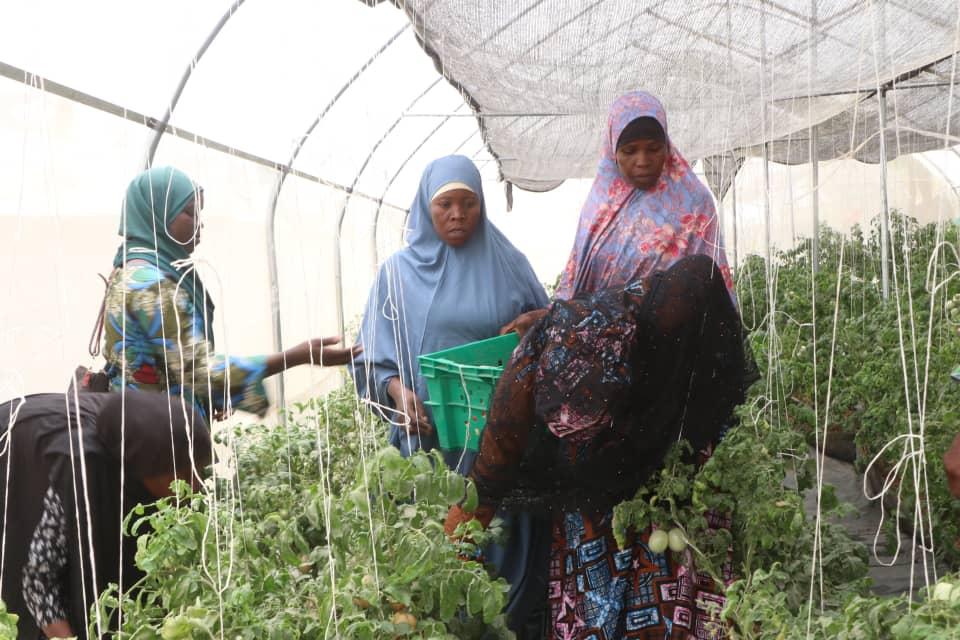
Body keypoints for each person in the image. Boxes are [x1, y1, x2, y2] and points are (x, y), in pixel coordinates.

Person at [447, 255, 748, 639]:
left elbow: (721, 387)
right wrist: (442, 564)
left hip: (668, 463)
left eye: (591, 433)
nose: (576, 444)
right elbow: (484, 486)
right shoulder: (524, 377)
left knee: (672, 587)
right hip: (589, 499)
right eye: (568, 439)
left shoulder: (662, 334)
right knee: (596, 599)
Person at [351, 154, 550, 632]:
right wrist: (399, 393)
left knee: (503, 553)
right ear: (425, 207)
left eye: (468, 204)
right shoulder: (396, 275)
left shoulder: (507, 263)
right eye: (445, 204)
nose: (457, 215)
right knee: (435, 556)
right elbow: (371, 357)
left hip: (499, 439)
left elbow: (552, 332)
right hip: (431, 444)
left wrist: (532, 328)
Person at [98, 166, 358, 420]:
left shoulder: (130, 268)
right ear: (157, 216)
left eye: (200, 212)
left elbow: (167, 360)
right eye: (189, 212)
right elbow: (198, 370)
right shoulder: (151, 285)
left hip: (140, 426)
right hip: (155, 438)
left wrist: (208, 397)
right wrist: (297, 356)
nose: (200, 222)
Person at [501, 90, 735, 339]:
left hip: (672, 347)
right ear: (613, 152)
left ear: (667, 147)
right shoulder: (600, 206)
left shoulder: (694, 203)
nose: (642, 160)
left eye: (653, 149)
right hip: (607, 345)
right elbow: (577, 281)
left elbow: (710, 287)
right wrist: (549, 318)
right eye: (630, 151)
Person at [0, 390, 212, 640]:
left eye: (198, 469)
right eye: (184, 474)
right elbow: (38, 581)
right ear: (145, 467)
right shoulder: (80, 472)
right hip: (19, 444)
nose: (194, 485)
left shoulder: (144, 443)